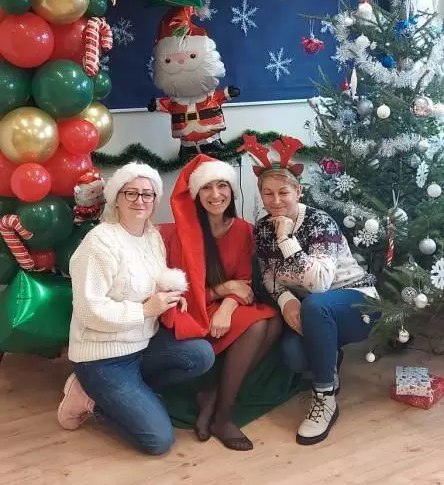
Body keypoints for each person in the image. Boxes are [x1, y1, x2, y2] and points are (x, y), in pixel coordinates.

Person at [57, 162, 215, 454]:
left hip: (143, 345)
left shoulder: (152, 237)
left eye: (147, 194)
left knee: (201, 355)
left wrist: (168, 294)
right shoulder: (100, 243)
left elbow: (148, 280)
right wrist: (145, 310)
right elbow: (89, 312)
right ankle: (90, 396)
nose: (140, 200)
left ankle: (129, 393)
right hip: (103, 358)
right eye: (131, 193)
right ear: (116, 198)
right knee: (158, 441)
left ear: (155, 200)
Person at [243, 135, 378, 446]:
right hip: (309, 309)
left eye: (283, 192)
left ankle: (325, 397)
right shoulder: (262, 228)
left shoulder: (319, 222)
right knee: (294, 356)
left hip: (357, 303)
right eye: (267, 193)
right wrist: (286, 301)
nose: (275, 201)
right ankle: (330, 360)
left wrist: (286, 240)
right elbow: (269, 276)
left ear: (298, 192)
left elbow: (319, 283)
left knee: (316, 305)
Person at [161, 155, 282, 451]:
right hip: (192, 309)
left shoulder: (242, 229)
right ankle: (223, 416)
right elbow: (183, 293)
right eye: (207, 188)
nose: (216, 195)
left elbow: (244, 283)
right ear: (196, 194)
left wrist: (227, 306)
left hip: (223, 306)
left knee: (274, 321)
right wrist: (223, 290)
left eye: (222, 185)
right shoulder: (183, 233)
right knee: (258, 327)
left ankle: (213, 396)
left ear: (231, 190)